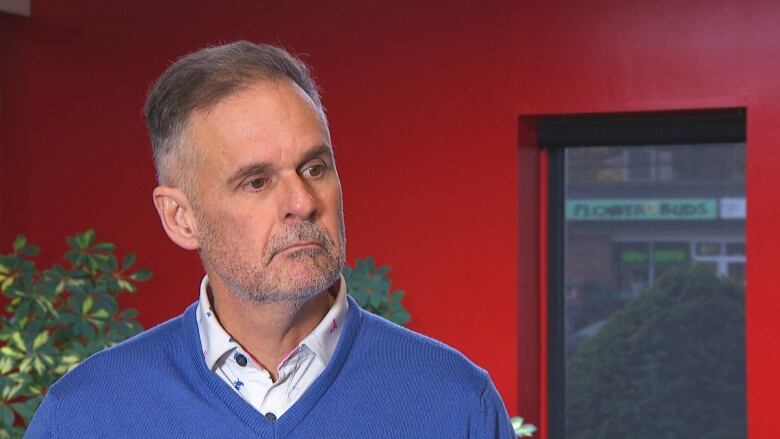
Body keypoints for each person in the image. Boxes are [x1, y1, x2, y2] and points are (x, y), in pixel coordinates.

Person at [25, 41, 515, 438]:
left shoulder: (456, 405)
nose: (302, 202)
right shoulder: (84, 417)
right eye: (256, 181)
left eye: (314, 168)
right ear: (180, 217)